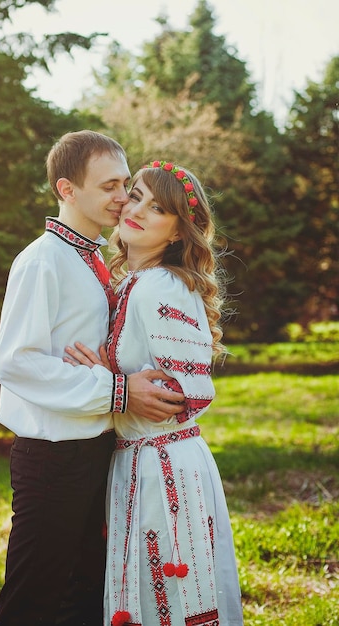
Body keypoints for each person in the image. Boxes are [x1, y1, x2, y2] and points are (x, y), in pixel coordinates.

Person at [0, 136, 185, 626]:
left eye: (125, 183)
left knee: (85, 598)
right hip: (52, 456)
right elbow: (16, 361)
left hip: (97, 450)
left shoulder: (96, 258)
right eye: (110, 186)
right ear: (67, 189)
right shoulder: (42, 261)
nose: (123, 195)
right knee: (34, 598)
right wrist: (120, 392)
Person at [65, 160, 244, 626]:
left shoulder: (160, 286)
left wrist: (110, 377)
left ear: (178, 233)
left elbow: (182, 397)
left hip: (163, 468)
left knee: (170, 600)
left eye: (158, 207)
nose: (138, 209)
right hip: (141, 458)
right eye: (137, 194)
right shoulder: (135, 282)